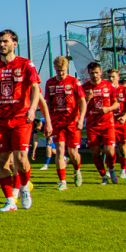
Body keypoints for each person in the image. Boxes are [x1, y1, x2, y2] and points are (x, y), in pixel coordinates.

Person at [0, 29, 49, 212]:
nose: (2, 44)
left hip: (21, 118)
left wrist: (33, 110)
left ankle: (25, 187)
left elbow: (35, 89)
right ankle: (10, 201)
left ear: (14, 44)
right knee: (3, 161)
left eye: (5, 41)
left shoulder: (26, 64)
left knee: (21, 159)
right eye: (0, 41)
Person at [44, 56, 87, 191]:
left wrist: (81, 119)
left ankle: (77, 170)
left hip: (72, 122)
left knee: (73, 153)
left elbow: (83, 102)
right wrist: (47, 122)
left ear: (67, 67)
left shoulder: (74, 82)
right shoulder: (50, 83)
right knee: (60, 151)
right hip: (57, 122)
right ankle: (62, 181)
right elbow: (48, 103)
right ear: (54, 68)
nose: (61, 73)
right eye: (58, 70)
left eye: (63, 70)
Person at [82, 62, 120, 185]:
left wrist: (108, 109)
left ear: (101, 72)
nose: (95, 75)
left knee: (109, 151)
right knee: (95, 152)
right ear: (89, 73)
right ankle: (103, 176)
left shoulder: (109, 86)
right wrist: (87, 99)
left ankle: (112, 168)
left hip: (107, 123)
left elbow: (117, 103)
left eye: (97, 72)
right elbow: (79, 107)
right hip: (92, 125)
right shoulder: (84, 88)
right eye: (92, 73)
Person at [106, 70, 126, 179]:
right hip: (109, 122)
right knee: (109, 148)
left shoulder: (125, 90)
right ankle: (110, 169)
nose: (111, 79)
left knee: (122, 147)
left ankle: (123, 170)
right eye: (109, 77)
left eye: (113, 77)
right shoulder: (106, 89)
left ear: (118, 77)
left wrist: (124, 117)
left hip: (122, 123)